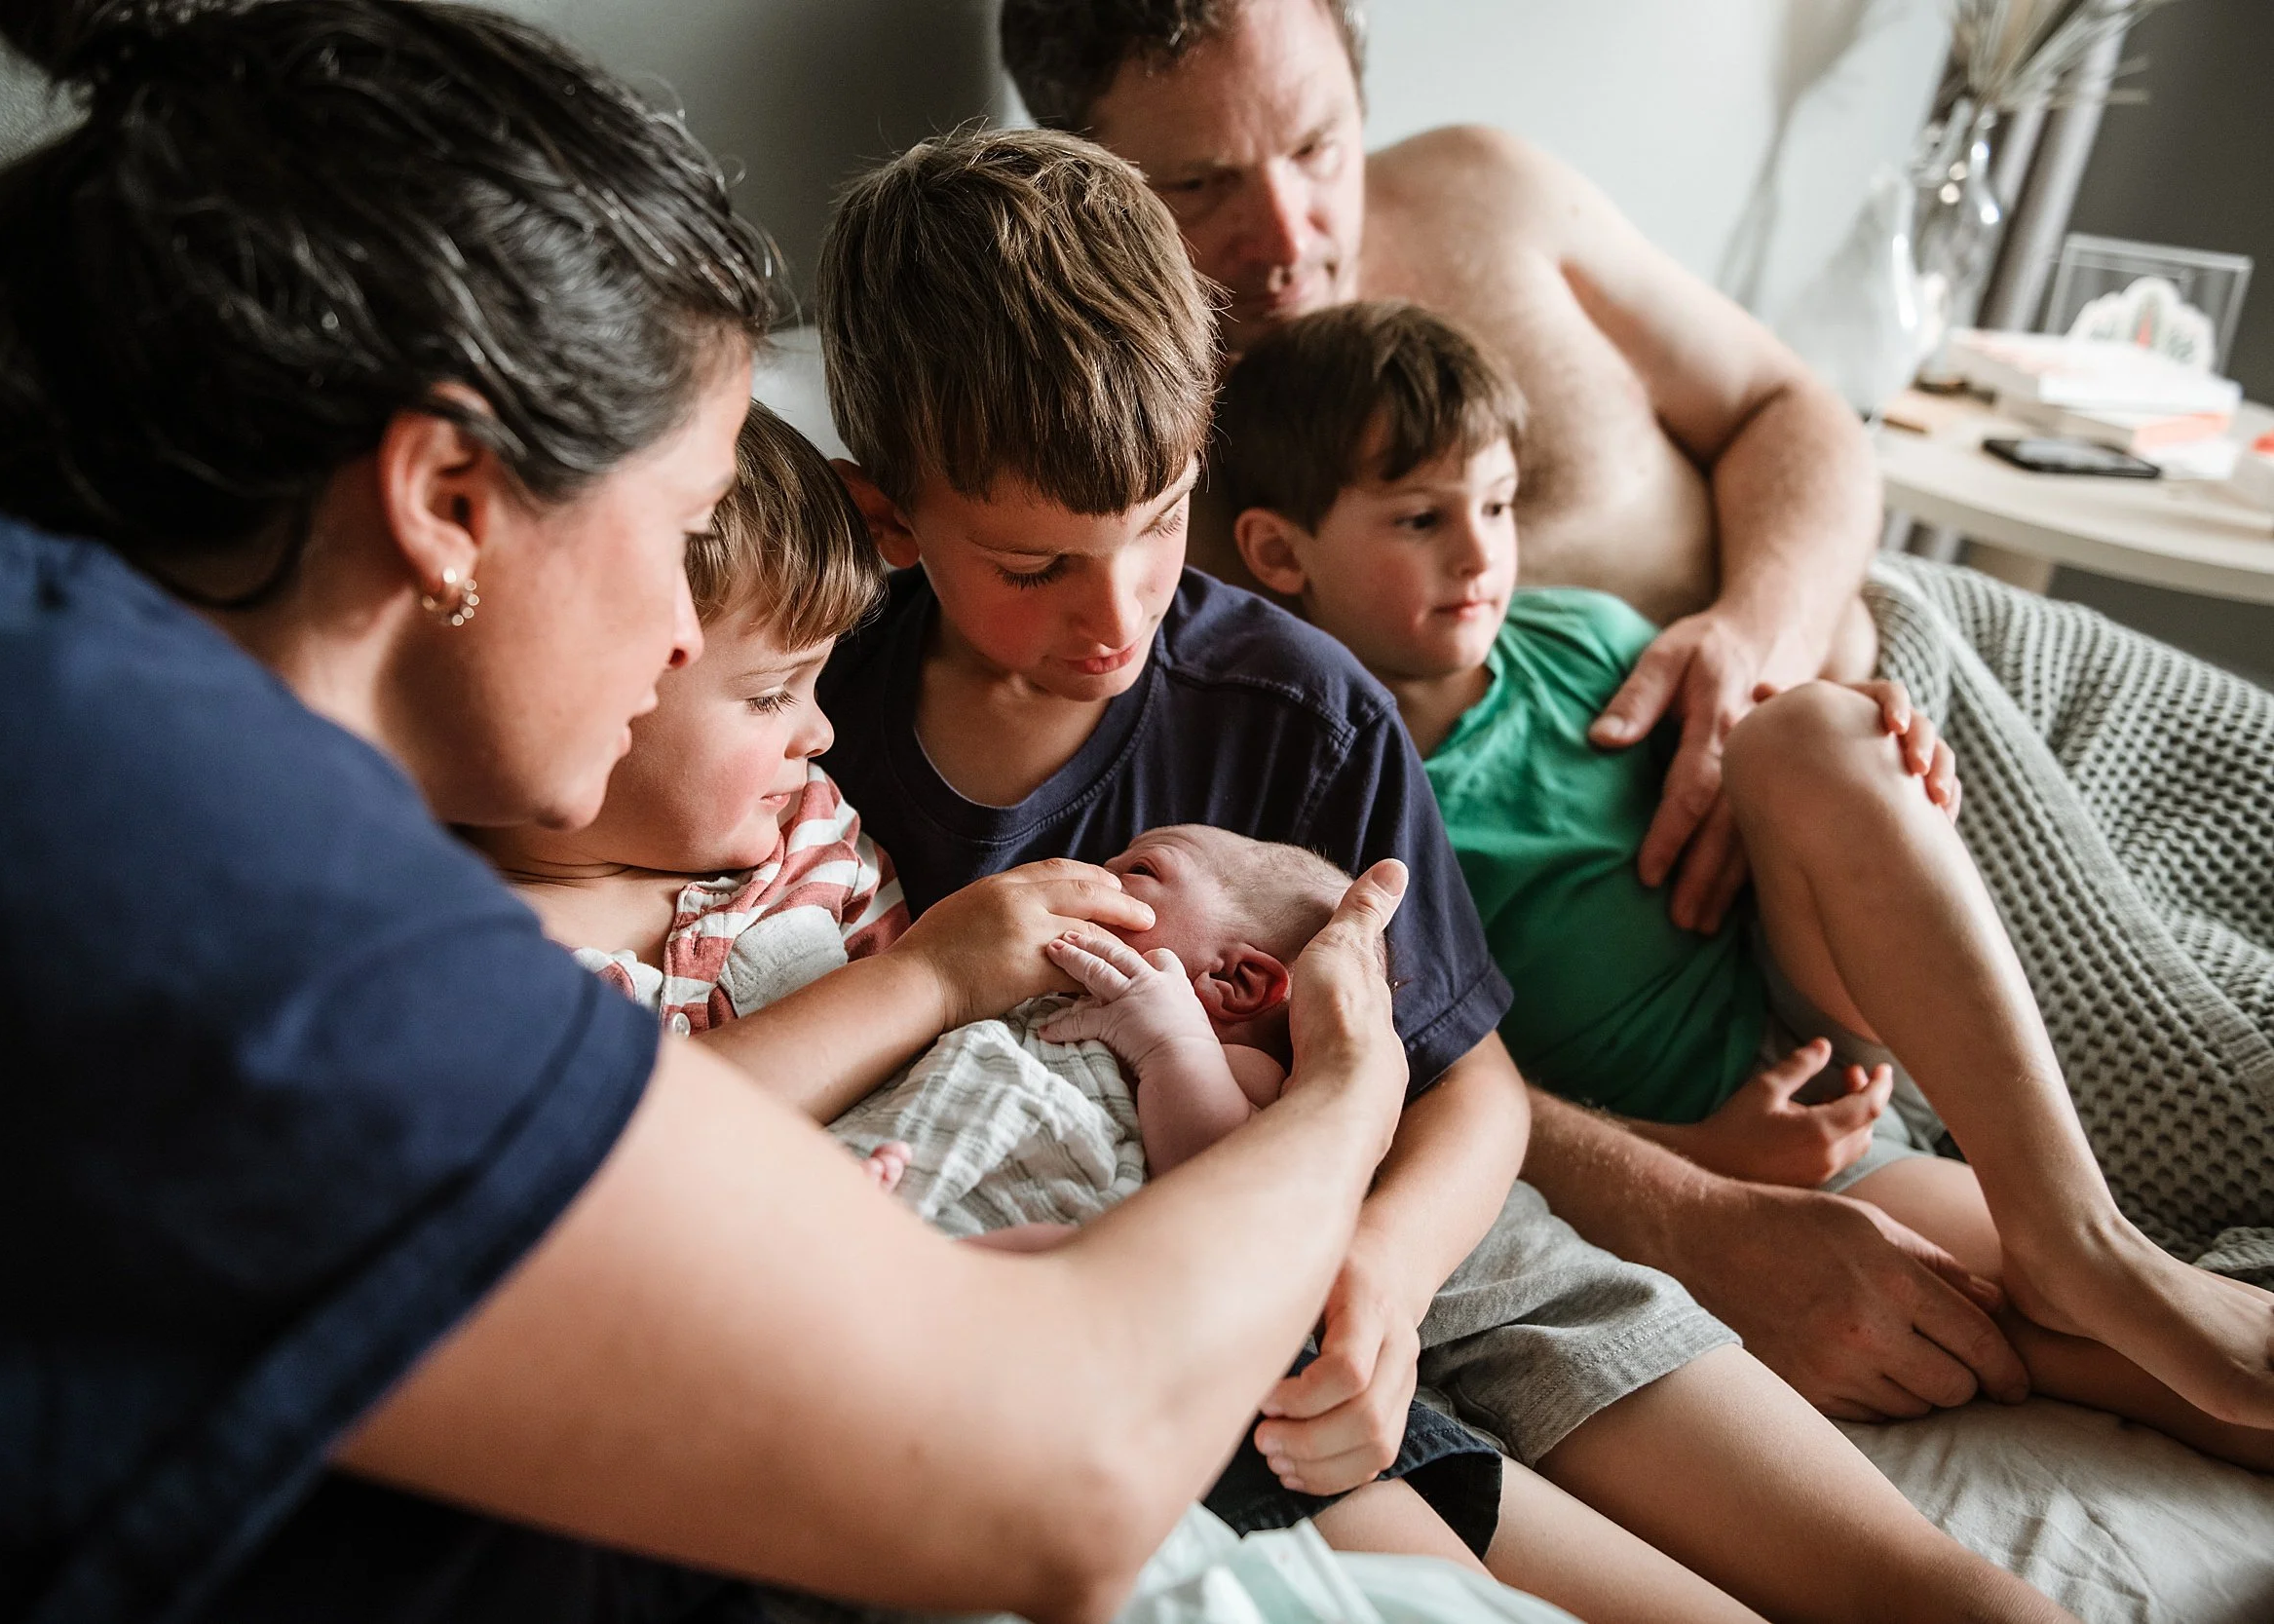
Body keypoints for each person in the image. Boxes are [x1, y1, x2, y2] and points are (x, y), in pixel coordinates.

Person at [0, 2, 1443, 1618]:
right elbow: (1068, 1470)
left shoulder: (30, 681)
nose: (688, 634)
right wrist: (1343, 1094)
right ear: (451, 502)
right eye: (681, 528)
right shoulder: (170, 862)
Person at [807, 127, 2070, 1624]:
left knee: (1919, 1587)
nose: (1115, 612)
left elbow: (1472, 1085)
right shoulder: (820, 704)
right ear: (890, 518)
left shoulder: (1294, 701)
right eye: (1036, 567)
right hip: (1115, 1248)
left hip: (1407, 1215)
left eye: (1157, 526)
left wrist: (1386, 1274)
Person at [996, 0, 2057, 1426]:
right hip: (1701, 1027)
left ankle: (2096, 1243)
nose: (1289, 228)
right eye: (1198, 188)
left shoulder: (1489, 191)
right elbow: (1374, 993)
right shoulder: (1127, 506)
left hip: (1888, 740)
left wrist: (1757, 655)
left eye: (1318, 143)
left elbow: (1793, 412)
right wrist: (1689, 1195)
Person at [1211, 297, 2274, 1468]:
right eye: (1421, 518)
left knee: (1811, 730)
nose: (1480, 553)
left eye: (1501, 506)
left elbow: (1781, 806)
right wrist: (1701, 1161)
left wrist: (1891, 756)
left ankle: (2078, 1225)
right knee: (2049, 1325)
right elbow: (1443, 1075)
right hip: (1736, 1142)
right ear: (1276, 551)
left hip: (1823, 1004)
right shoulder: (1324, 787)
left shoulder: (1585, 639)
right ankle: (2074, 1273)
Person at [473, 402, 1506, 1567]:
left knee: (1431, 1511)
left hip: (1172, 1253)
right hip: (916, 1320)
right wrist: (937, 975)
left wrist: (1365, 1215)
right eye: (772, 696)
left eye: (1166, 520)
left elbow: (1463, 1085)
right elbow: (619, 1150)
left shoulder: (805, 838)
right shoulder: (487, 951)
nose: (817, 729)